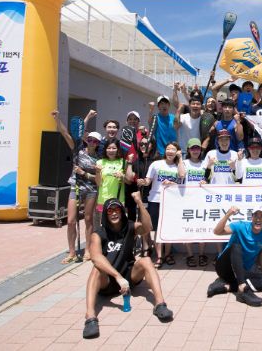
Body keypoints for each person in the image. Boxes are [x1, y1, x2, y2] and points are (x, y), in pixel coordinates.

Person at [82, 197, 173, 339]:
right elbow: (96, 257)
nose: (114, 213)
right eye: (110, 211)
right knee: (96, 268)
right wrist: (117, 277)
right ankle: (90, 316)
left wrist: (139, 203)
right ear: (105, 214)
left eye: (117, 209)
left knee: (146, 260)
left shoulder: (130, 227)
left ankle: (160, 304)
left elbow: (148, 227)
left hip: (128, 276)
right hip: (108, 282)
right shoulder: (98, 234)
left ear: (122, 211)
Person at [52, 110, 100, 264]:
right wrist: (57, 119)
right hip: (76, 187)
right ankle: (72, 252)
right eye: (90, 139)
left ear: (98, 143)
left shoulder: (100, 158)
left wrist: (85, 173)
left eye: (95, 141)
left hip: (91, 189)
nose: (92, 142)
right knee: (71, 220)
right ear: (87, 139)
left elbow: (99, 178)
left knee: (88, 219)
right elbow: (67, 133)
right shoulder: (77, 149)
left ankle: (87, 250)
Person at [206, 206, 262, 307]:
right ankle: (242, 289)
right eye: (256, 215)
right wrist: (228, 214)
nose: (258, 219)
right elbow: (217, 232)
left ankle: (225, 286)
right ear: (252, 217)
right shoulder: (240, 226)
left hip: (241, 272)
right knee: (236, 247)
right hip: (224, 267)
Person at [139, 141, 186, 268]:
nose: (170, 151)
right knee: (157, 229)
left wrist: (180, 159)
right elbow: (148, 181)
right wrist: (143, 182)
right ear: (164, 151)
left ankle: (168, 254)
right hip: (155, 200)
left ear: (177, 152)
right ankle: (159, 256)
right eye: (168, 149)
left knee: (168, 229)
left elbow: (182, 176)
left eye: (173, 149)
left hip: (171, 201)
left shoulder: (180, 165)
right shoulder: (156, 164)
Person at [94, 138, 134, 231]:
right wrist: (97, 172)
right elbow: (98, 183)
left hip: (118, 199)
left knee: (118, 226)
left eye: (114, 148)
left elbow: (129, 181)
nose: (111, 150)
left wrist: (122, 177)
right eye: (109, 148)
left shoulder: (123, 162)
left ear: (118, 149)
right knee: (104, 226)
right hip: (103, 199)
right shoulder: (100, 162)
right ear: (105, 149)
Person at [182, 138, 208, 267]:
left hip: (202, 201)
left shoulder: (205, 163)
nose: (195, 151)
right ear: (188, 150)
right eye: (193, 148)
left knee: (202, 228)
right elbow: (180, 176)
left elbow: (209, 179)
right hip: (187, 200)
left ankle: (202, 254)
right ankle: (190, 255)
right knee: (188, 228)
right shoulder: (184, 163)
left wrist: (205, 182)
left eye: (197, 148)